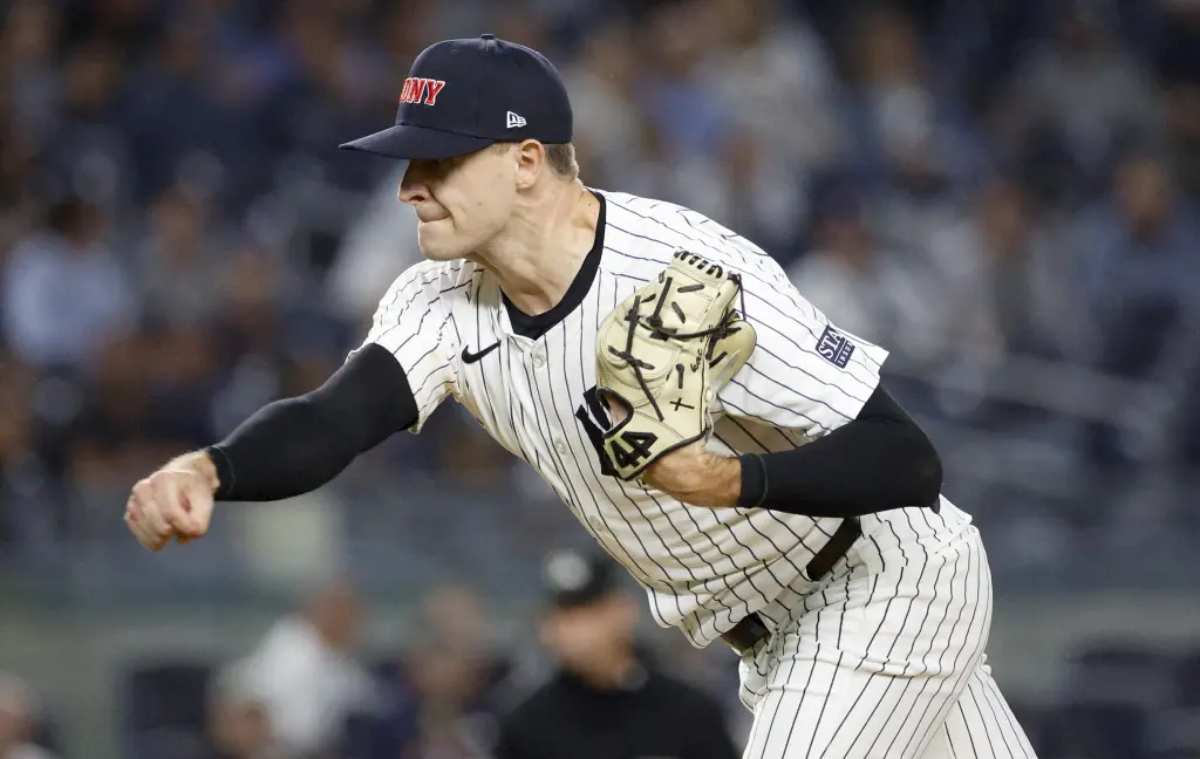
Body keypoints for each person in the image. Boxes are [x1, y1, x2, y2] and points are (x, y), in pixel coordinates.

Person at [123, 34, 1037, 758]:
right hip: (770, 631)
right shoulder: (436, 300)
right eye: (409, 161)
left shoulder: (682, 265)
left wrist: (725, 479)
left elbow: (908, 460)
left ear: (526, 161)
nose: (410, 186)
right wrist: (215, 466)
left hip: (880, 577)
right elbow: (336, 419)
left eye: (438, 161)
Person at [496, 549, 738, 759]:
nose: (576, 631)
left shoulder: (688, 712)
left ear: (624, 610)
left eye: (589, 612)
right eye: (564, 616)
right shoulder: (527, 726)